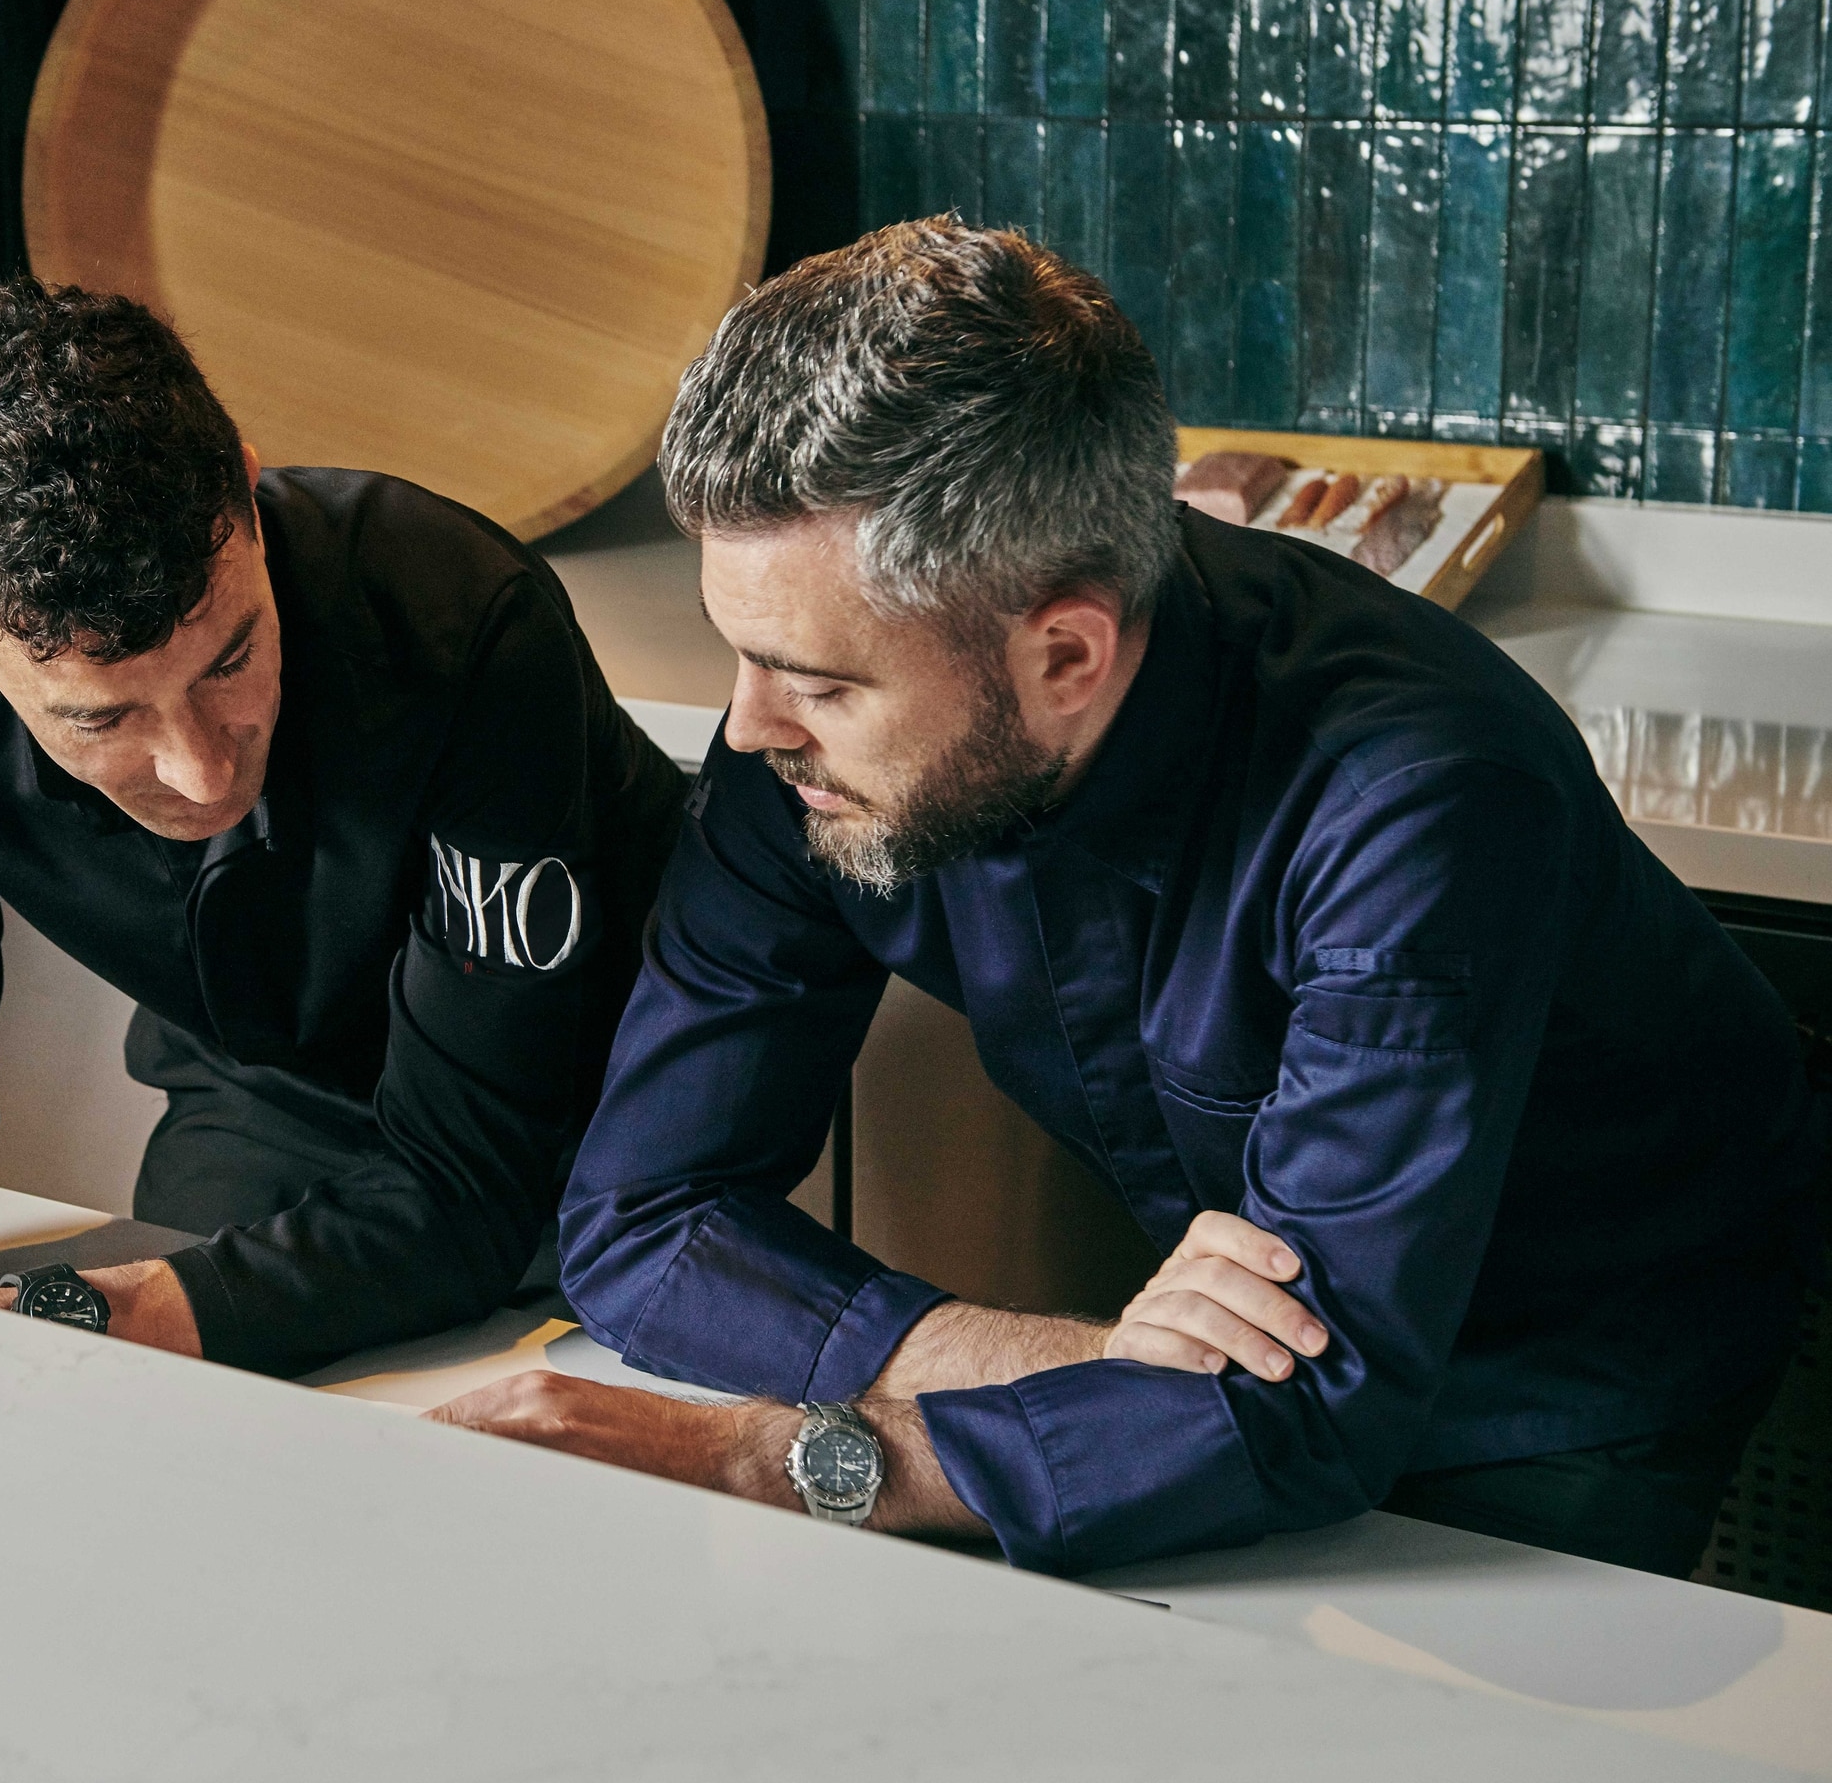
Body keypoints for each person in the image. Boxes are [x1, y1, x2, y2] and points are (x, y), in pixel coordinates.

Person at [432, 218, 1825, 1577]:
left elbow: (1297, 1407)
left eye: (821, 682)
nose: (746, 730)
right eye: (739, 652)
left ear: (1067, 658)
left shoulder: (1418, 800)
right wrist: (1070, 1366)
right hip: (1202, 1351)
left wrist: (763, 1455)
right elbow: (640, 1222)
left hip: (1569, 1369)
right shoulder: (808, 721)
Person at [0, 280, 687, 1377]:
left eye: (229, 658)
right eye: (103, 715)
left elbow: (477, 1190)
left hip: (599, 1114)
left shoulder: (460, 612)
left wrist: (86, 1311)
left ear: (251, 503)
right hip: (268, 1099)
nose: (203, 767)